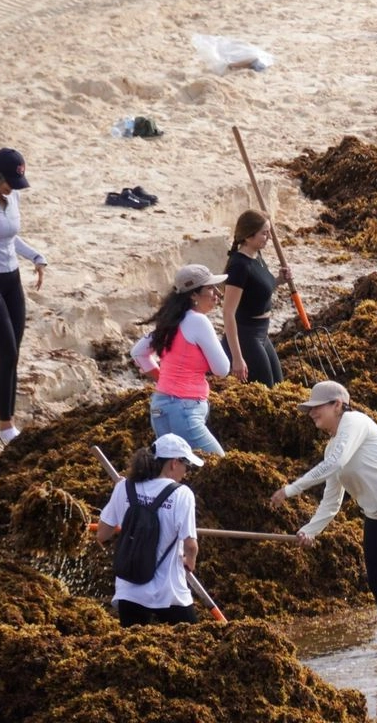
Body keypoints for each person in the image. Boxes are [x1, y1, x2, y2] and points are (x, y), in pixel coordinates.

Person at [270, 380, 377, 637]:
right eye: (309, 409)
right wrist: (310, 530)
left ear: (338, 405)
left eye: (317, 407)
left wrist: (291, 489)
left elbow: (337, 463)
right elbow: (331, 501)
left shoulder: (355, 422)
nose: (312, 413)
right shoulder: (331, 446)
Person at [96, 433, 204, 627]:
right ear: (173, 463)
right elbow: (190, 545)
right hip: (169, 592)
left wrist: (121, 502)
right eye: (186, 465)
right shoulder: (182, 494)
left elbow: (102, 534)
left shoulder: (124, 488)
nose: (186, 472)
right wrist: (190, 561)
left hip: (129, 591)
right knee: (193, 644)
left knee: (131, 650)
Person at [131, 265, 231, 456]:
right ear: (193, 295)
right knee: (218, 463)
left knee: (175, 470)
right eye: (210, 288)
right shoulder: (198, 321)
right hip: (185, 409)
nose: (217, 293)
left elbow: (138, 352)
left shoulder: (171, 320)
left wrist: (163, 380)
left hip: (160, 406)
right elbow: (222, 369)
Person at [0, 148, 46, 445]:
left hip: (12, 280)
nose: (12, 188)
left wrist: (35, 256)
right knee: (5, 352)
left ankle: (8, 421)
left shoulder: (12, 197)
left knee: (14, 354)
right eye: (8, 181)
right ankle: (6, 426)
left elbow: (9, 234)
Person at [222, 210, 292, 387]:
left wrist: (278, 281)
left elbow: (257, 291)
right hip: (246, 335)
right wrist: (237, 358)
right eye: (264, 233)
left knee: (278, 384)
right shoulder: (239, 266)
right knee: (265, 388)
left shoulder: (257, 256)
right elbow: (228, 313)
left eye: (269, 232)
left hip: (262, 332)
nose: (269, 237)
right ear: (248, 236)